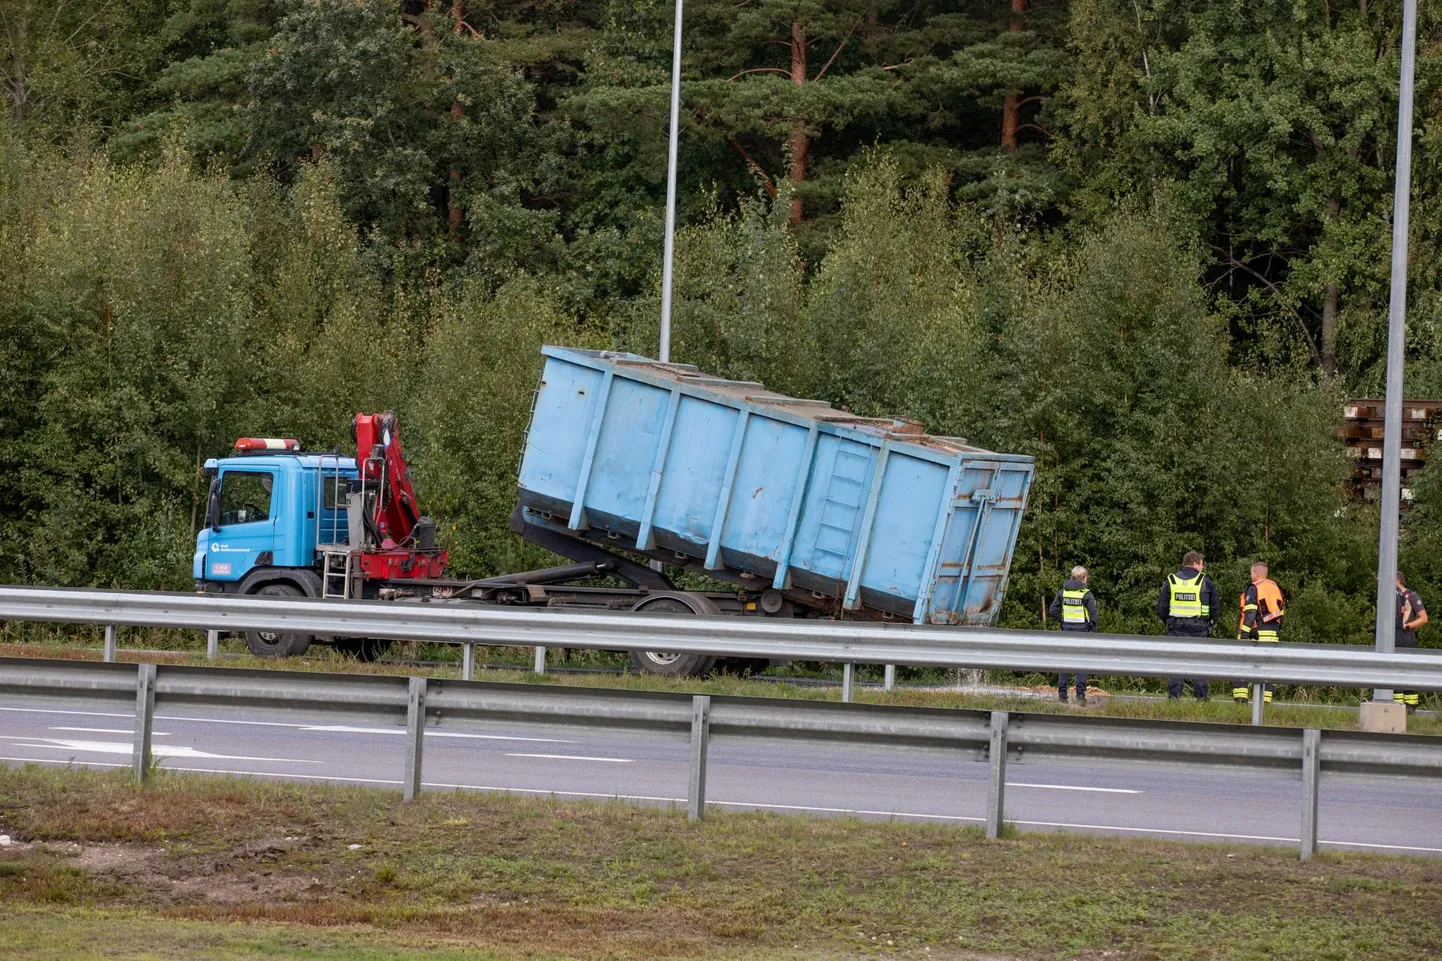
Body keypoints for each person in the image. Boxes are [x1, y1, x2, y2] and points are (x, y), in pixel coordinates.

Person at [1158, 550, 1219, 700]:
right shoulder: (1205, 581)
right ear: (1195, 563)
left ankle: (1174, 697)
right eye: (1201, 564)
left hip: (1176, 628)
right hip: (1199, 629)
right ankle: (1201, 698)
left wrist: (1168, 622)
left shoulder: (1171, 580)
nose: (1202, 568)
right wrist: (1211, 623)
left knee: (1176, 663)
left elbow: (1161, 608)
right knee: (1199, 663)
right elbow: (1215, 608)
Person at [1233, 561, 1284, 703]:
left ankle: (1241, 699)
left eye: (1251, 573)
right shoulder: (1276, 588)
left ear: (1255, 573)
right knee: (1267, 669)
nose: (1251, 576)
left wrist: (1244, 634)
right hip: (1272, 635)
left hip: (1256, 633)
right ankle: (1265, 701)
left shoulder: (1254, 587)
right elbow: (1281, 613)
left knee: (1242, 666)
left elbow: (1250, 612)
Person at [1048, 566, 1098, 704]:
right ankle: (1080, 695)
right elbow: (1093, 614)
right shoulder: (1086, 594)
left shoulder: (1063, 592)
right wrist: (1092, 629)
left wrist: (1063, 620)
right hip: (1082, 632)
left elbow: (1052, 610)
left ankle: (1062, 693)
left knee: (1066, 660)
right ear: (1084, 578)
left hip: (1066, 633)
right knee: (1082, 662)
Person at [1394, 572, 1428, 713]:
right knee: (1393, 671)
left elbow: (1423, 618)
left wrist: (1407, 626)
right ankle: (1395, 705)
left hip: (1406, 638)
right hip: (1391, 638)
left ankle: (1410, 706)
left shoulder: (1411, 596)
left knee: (1407, 670)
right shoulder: (1389, 596)